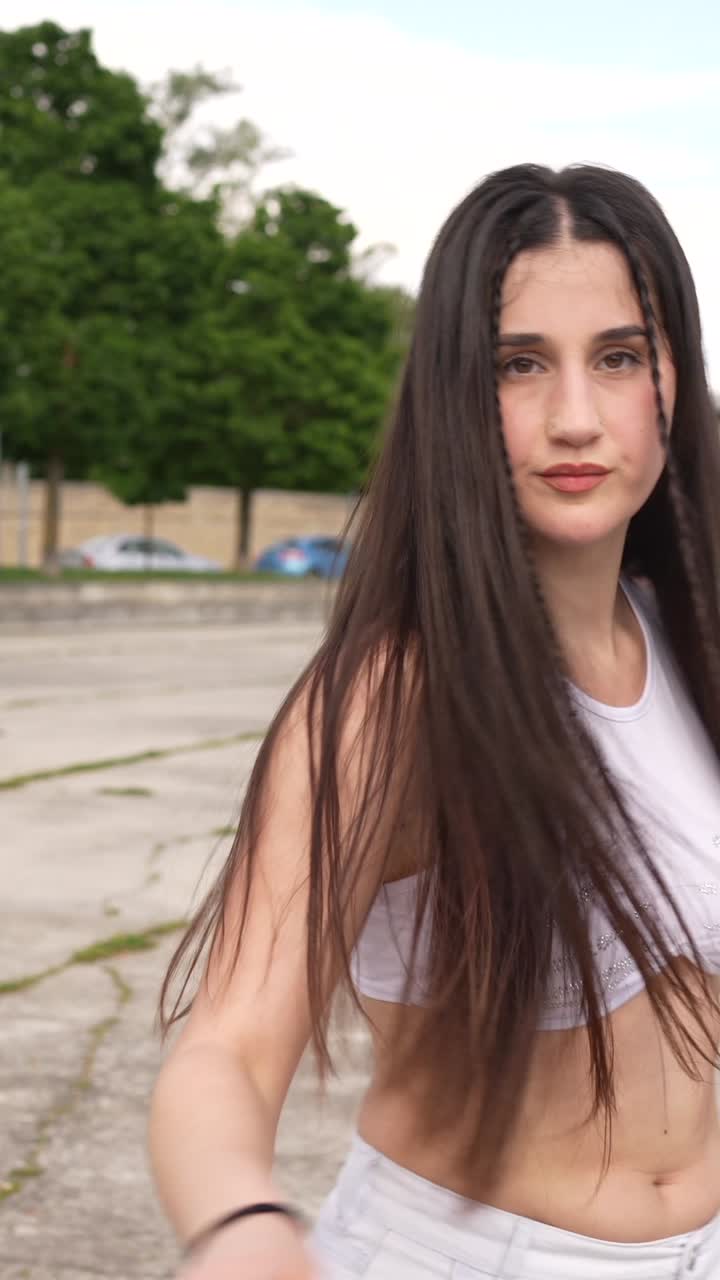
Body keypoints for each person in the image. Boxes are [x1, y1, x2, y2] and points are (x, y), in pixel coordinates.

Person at [149, 163, 720, 1279]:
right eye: (519, 364)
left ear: (672, 377)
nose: (574, 416)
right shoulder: (393, 698)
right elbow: (226, 1044)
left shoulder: (690, 654)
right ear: (457, 393)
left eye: (618, 356)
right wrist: (241, 1226)